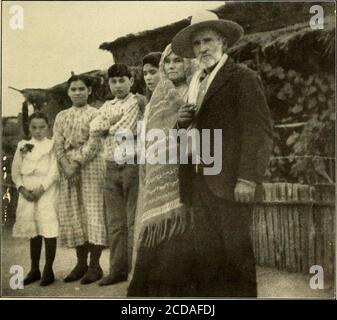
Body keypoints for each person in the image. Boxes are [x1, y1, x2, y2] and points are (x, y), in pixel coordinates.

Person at [171, 11, 273, 297]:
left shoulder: (242, 77)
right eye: (196, 44)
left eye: (208, 40)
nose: (202, 48)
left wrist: (248, 179)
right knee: (207, 258)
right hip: (198, 181)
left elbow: (259, 132)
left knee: (235, 256)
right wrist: (180, 122)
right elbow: (186, 136)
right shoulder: (194, 85)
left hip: (230, 182)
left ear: (223, 43)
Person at [127, 44, 199, 297]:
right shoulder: (158, 96)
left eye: (177, 61)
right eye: (167, 63)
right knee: (159, 238)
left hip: (190, 167)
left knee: (186, 236)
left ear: (188, 63)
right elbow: (150, 135)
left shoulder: (195, 89)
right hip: (159, 170)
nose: (171, 67)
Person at [89, 63, 142, 286]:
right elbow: (93, 127)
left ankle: (135, 271)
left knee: (132, 220)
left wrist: (107, 126)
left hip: (131, 164)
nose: (118, 85)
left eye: (122, 80)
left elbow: (126, 130)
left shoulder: (136, 102)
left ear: (131, 81)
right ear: (108, 84)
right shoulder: (107, 105)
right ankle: (117, 269)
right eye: (114, 81)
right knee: (115, 222)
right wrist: (107, 124)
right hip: (110, 166)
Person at [53, 75, 107, 285]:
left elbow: (95, 143)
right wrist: (66, 166)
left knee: (93, 215)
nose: (77, 92)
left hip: (91, 168)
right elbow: (57, 143)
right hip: (67, 171)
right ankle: (81, 263)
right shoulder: (61, 116)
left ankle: (95, 266)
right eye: (73, 89)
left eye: (81, 89)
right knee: (74, 214)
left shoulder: (97, 113)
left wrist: (75, 163)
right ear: (68, 92)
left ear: (89, 91)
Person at [12, 112, 59, 286]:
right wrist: (22, 188)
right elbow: (16, 171)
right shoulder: (25, 146)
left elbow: (55, 170)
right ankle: (34, 269)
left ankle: (48, 269)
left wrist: (41, 189)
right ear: (29, 128)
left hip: (46, 191)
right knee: (34, 230)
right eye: (34, 127)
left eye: (42, 127)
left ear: (48, 126)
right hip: (28, 193)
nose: (38, 131)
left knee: (48, 228)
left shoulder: (53, 145)